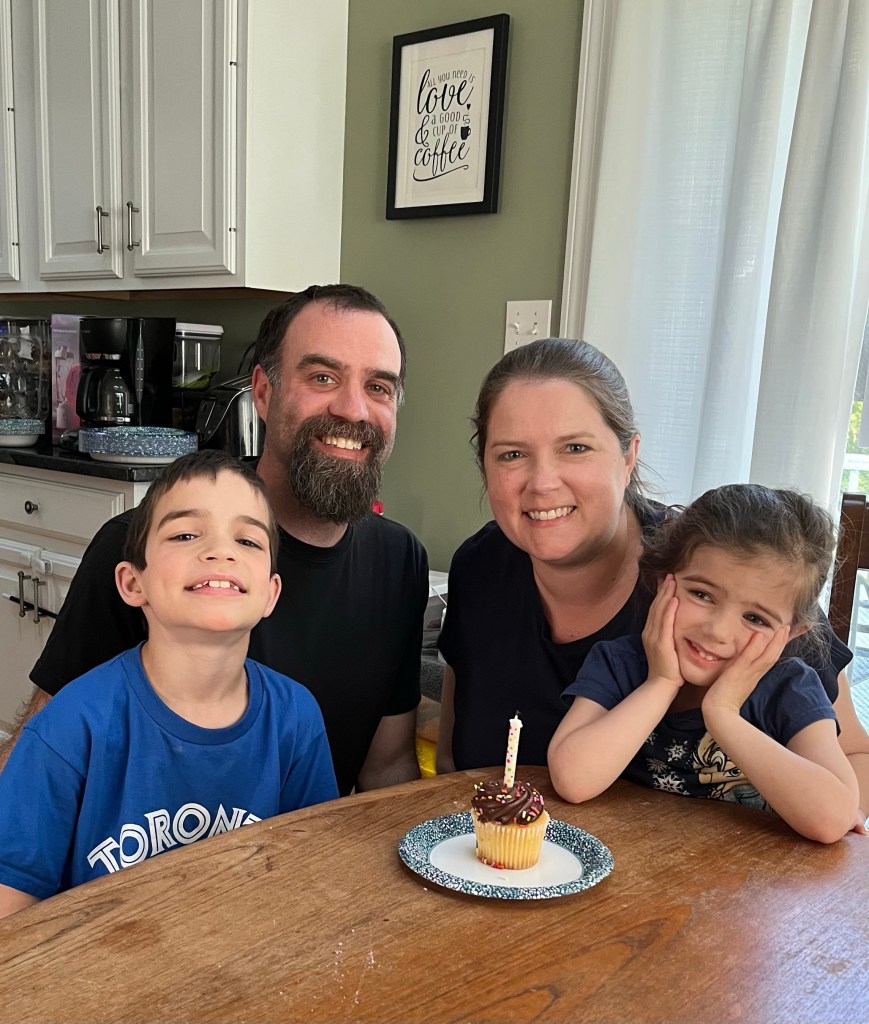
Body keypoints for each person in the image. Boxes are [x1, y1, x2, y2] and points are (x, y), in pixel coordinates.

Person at [1, 285, 429, 796]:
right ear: (263, 394)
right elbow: (36, 768)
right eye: (322, 377)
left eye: (378, 387)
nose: (354, 409)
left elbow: (386, 771)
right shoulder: (148, 551)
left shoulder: (399, 562)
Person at [435, 338, 869, 827]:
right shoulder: (481, 567)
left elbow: (854, 765)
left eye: (575, 448)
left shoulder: (725, 572)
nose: (543, 482)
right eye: (512, 454)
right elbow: (454, 755)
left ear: (628, 456)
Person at [0, 450, 338, 918]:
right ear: (132, 582)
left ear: (270, 593)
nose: (220, 551)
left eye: (247, 540)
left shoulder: (296, 719)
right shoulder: (68, 729)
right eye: (185, 534)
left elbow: (312, 875)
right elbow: (11, 912)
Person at [549, 484, 862, 843]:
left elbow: (832, 819)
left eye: (755, 618)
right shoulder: (620, 664)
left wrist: (723, 713)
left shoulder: (790, 690)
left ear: (790, 635)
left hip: (745, 873)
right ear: (663, 581)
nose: (717, 631)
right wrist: (661, 683)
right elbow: (572, 780)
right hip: (635, 865)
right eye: (701, 594)